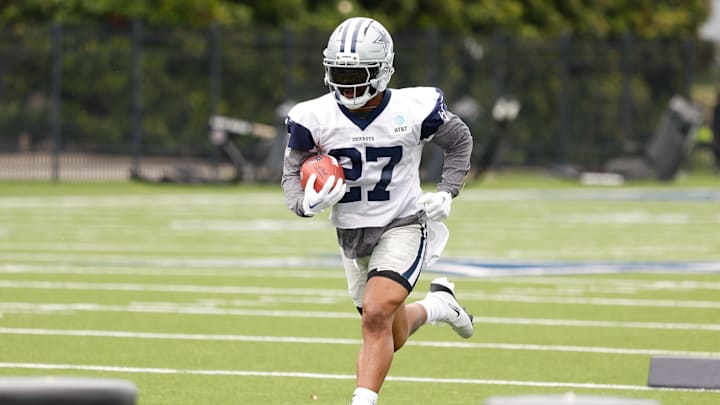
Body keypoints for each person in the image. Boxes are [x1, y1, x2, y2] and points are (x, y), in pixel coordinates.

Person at [280, 17, 474, 405]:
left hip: (402, 222)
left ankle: (362, 401)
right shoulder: (313, 116)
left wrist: (448, 192)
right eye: (339, 72)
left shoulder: (414, 108)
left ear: (383, 70)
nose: (347, 84)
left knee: (375, 313)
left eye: (357, 74)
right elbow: (291, 172)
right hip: (351, 232)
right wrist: (305, 203)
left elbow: (460, 141)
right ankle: (439, 306)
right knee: (390, 330)